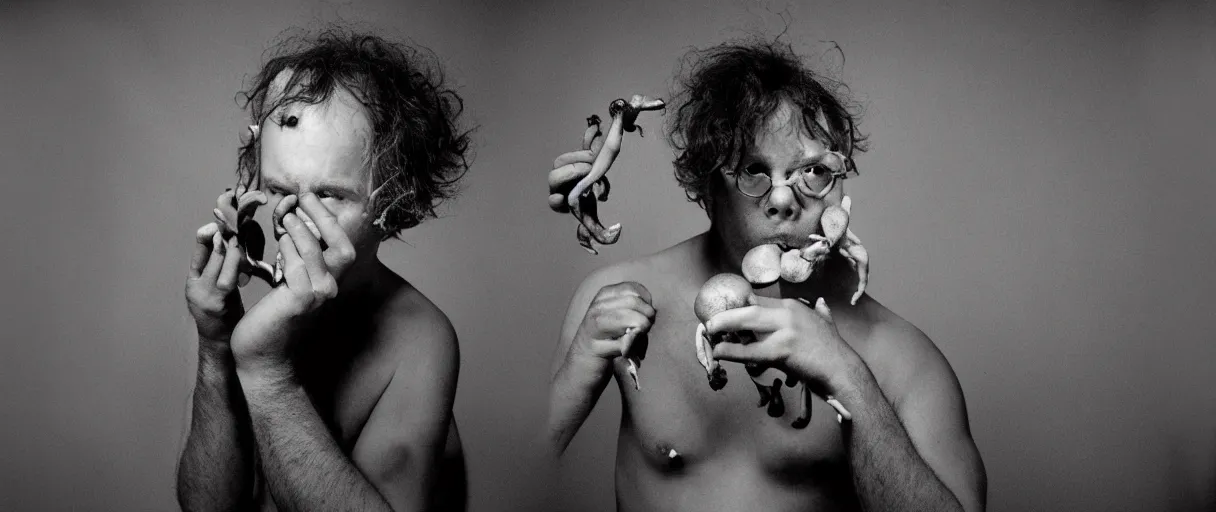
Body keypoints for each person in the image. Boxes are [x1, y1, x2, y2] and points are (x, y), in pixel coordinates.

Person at [546, 39, 987, 511]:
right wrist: (576, 373)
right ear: (707, 185)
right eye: (754, 171)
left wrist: (849, 380)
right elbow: (510, 475)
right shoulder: (613, 304)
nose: (782, 200)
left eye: (812, 172)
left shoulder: (902, 359)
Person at [178, 28, 471, 512]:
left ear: (397, 205)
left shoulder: (421, 340)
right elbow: (206, 507)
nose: (290, 218)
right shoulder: (256, 298)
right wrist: (215, 343)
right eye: (276, 189)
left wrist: (267, 372)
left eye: (330, 195)